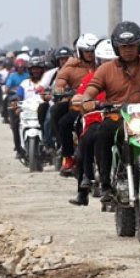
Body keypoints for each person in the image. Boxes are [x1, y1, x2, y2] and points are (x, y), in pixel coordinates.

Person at [77, 21, 140, 202]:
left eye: (132, 46)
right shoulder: (106, 69)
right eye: (124, 46)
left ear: (139, 45)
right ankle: (105, 185)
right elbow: (91, 89)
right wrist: (87, 100)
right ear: (116, 47)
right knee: (102, 133)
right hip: (117, 116)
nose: (128, 50)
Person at [68, 39, 115, 206]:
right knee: (86, 143)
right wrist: (80, 100)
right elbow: (79, 96)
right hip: (95, 119)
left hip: (118, 120)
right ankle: (84, 187)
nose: (107, 65)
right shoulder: (91, 79)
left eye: (111, 61)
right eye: (104, 62)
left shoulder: (124, 79)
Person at [53, 33, 99, 176]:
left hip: (102, 104)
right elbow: (60, 81)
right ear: (80, 51)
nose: (90, 55)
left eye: (93, 51)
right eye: (87, 51)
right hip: (79, 105)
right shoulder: (71, 66)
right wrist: (61, 89)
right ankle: (67, 155)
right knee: (63, 121)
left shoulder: (104, 65)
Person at [4, 58, 30, 158]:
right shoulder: (12, 76)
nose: (20, 69)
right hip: (14, 101)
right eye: (18, 67)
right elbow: (7, 90)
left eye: (22, 67)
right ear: (15, 68)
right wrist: (14, 90)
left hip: (26, 101)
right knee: (15, 126)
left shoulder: (28, 76)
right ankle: (19, 149)